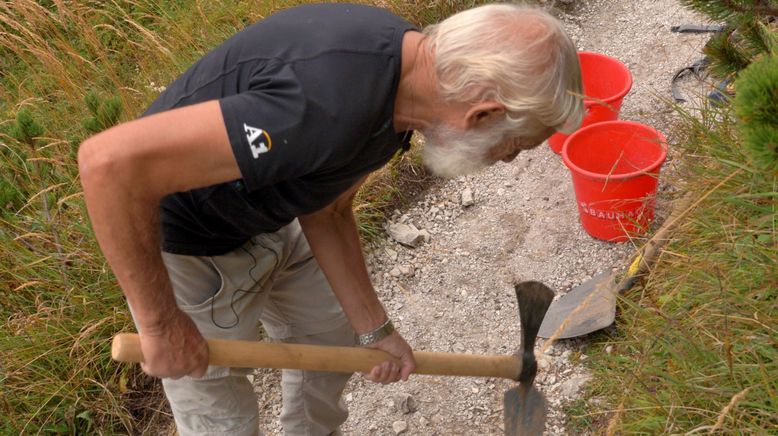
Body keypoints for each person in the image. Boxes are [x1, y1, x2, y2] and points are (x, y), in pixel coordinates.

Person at [78, 3, 583, 435]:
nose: (509, 160)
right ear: (484, 115)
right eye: (517, 145)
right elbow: (109, 166)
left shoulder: (405, 88)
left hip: (272, 216)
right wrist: (162, 324)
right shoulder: (318, 103)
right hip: (193, 248)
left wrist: (375, 331)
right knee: (220, 418)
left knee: (333, 337)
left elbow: (328, 204)